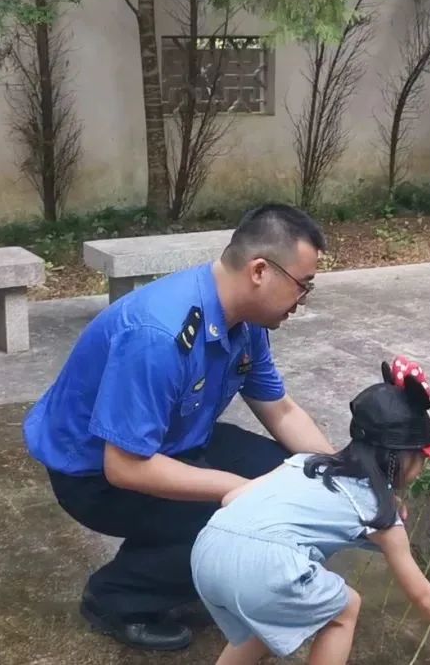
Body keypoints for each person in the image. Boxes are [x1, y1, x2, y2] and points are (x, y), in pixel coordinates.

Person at [23, 203, 338, 652]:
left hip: (172, 444)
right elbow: (125, 468)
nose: (301, 302)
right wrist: (234, 489)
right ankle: (117, 596)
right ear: (260, 271)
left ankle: (189, 562)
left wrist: (342, 476)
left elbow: (282, 410)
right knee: (235, 514)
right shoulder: (159, 334)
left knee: (292, 478)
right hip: (94, 475)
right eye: (301, 287)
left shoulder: (246, 323)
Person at [189, 356, 430, 665]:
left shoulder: (307, 463)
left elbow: (232, 497)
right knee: (344, 610)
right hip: (265, 568)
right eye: (422, 459)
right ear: (399, 459)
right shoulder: (380, 515)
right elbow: (421, 592)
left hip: (207, 548)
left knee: (266, 621)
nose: (422, 468)